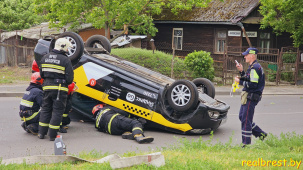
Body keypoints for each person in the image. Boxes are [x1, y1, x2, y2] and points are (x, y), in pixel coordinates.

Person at [38, 38, 74, 141]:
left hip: (46, 87)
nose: (68, 50)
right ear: (63, 46)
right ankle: (52, 135)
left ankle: (41, 133)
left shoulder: (44, 57)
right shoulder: (65, 60)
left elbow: (42, 75)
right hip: (59, 89)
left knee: (45, 109)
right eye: (67, 47)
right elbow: (69, 79)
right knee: (57, 111)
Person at [234, 47, 267, 147]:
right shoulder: (252, 67)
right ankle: (261, 134)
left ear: (252, 56)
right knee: (242, 117)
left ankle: (246, 144)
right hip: (248, 96)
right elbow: (249, 79)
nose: (244, 56)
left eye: (246, 55)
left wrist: (239, 82)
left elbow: (252, 85)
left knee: (246, 120)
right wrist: (241, 71)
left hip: (251, 97)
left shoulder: (255, 68)